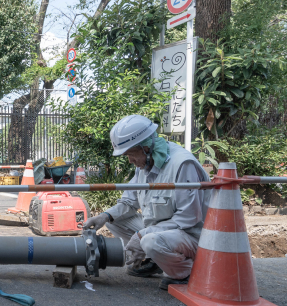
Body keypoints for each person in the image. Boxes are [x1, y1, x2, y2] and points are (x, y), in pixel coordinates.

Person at [82, 115, 210, 290]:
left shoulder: (182, 164)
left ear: (146, 147)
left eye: (130, 154)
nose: (129, 161)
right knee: (115, 220)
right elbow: (129, 201)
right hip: (161, 231)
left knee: (150, 241)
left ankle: (186, 272)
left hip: (191, 236)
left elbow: (188, 218)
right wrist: (104, 216)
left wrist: (141, 236)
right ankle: (156, 260)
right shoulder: (144, 164)